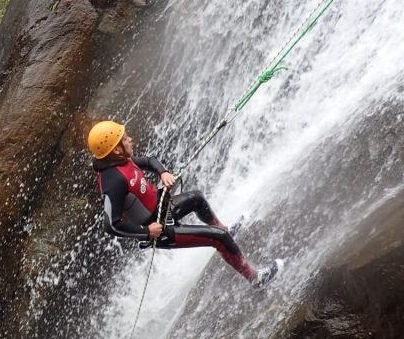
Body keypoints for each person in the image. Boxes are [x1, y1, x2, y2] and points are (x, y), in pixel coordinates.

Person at [87, 120, 282, 288]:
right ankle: (256, 279)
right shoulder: (113, 181)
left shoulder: (121, 160)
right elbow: (111, 224)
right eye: (125, 138)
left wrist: (163, 173)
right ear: (116, 149)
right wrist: (147, 232)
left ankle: (225, 230)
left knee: (196, 198)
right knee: (218, 238)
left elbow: (148, 161)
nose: (130, 139)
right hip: (161, 231)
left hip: (163, 207)